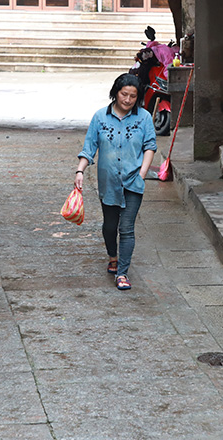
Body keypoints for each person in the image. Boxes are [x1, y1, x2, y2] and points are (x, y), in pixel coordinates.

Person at [75, 73, 157, 290]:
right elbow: (89, 147)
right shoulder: (100, 117)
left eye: (133, 96)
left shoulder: (144, 118)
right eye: (124, 94)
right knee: (110, 227)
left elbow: (150, 146)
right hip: (109, 182)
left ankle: (122, 273)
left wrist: (142, 174)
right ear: (116, 92)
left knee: (126, 228)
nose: (128, 100)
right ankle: (113, 257)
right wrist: (80, 170)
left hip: (133, 181)